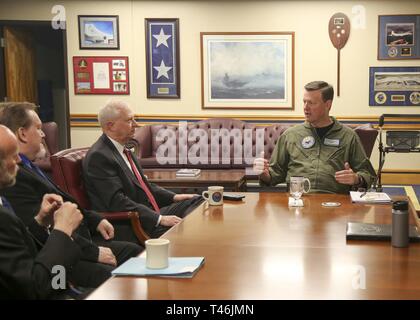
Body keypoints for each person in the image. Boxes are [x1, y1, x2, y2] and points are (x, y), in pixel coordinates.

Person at [0, 102, 142, 288]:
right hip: (59, 263)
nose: (17, 160)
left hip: (67, 250)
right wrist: (89, 250)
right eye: (39, 128)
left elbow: (30, 232)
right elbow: (35, 282)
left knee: (135, 255)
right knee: (119, 281)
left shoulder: (29, 167)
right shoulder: (15, 180)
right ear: (22, 133)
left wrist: (41, 221)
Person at [82, 100, 204, 238]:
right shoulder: (99, 156)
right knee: (188, 230)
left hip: (149, 213)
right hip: (134, 223)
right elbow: (117, 202)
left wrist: (174, 197)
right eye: (129, 120)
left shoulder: (124, 150)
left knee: (198, 201)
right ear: (110, 126)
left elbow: (144, 186)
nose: (136, 125)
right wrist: (159, 219)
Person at [0, 125, 84, 299]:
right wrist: (61, 231)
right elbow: (35, 290)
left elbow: (23, 252)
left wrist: (41, 221)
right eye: (12, 155)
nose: (19, 160)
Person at [254, 81, 376, 194]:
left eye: (311, 103)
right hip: (297, 202)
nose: (305, 107)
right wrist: (263, 173)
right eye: (304, 102)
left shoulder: (348, 136)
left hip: (335, 204)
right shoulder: (290, 135)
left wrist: (356, 178)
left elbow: (368, 174)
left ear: (327, 104)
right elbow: (275, 174)